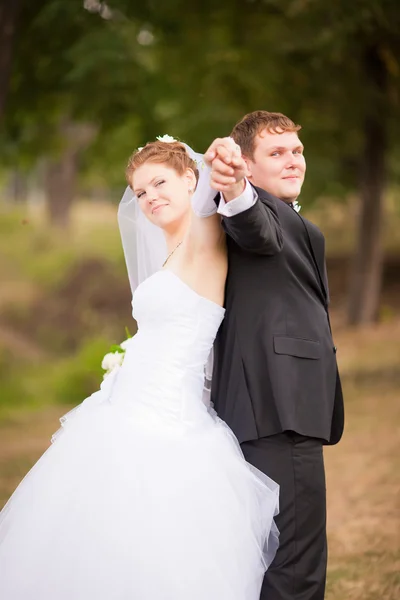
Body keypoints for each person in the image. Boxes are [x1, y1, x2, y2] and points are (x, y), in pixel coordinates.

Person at [0, 139, 279, 600]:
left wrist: (217, 157)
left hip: (168, 416)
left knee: (151, 530)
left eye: (159, 183)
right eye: (140, 190)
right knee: (95, 530)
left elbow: (215, 194)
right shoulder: (170, 255)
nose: (149, 197)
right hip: (125, 405)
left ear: (191, 180)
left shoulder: (204, 241)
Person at [204, 111, 345, 600]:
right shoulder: (253, 210)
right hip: (279, 405)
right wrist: (234, 185)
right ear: (246, 164)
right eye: (276, 153)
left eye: (296, 151)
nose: (292, 161)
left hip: (272, 405)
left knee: (274, 556)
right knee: (295, 563)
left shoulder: (287, 213)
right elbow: (251, 224)